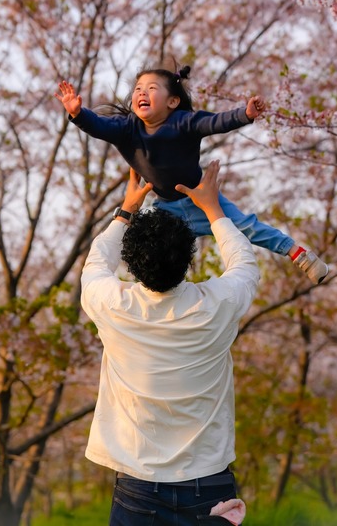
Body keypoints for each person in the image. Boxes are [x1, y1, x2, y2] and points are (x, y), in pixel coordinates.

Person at [81, 161, 255, 525]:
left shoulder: (114, 304)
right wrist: (212, 209)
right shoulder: (217, 305)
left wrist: (126, 210)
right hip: (208, 487)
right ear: (188, 260)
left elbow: (97, 261)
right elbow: (244, 263)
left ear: (132, 264)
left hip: (138, 488)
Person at [55, 66, 329, 284]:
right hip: (164, 208)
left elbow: (214, 122)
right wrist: (78, 114)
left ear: (173, 101)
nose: (142, 93)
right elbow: (99, 126)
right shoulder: (126, 128)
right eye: (138, 89)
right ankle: (153, 295)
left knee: (245, 227)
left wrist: (245, 115)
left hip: (201, 198)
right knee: (149, 249)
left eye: (152, 88)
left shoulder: (184, 122)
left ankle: (298, 254)